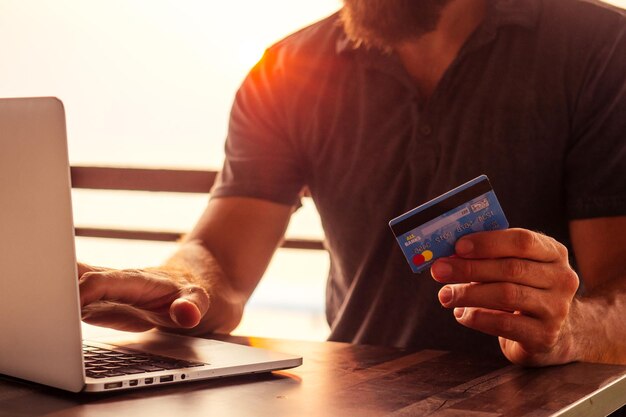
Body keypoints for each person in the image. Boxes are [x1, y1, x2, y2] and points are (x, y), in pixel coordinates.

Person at [79, 0, 626, 367]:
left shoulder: (603, 48)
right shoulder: (284, 72)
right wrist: (180, 286)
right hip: (360, 399)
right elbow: (218, 256)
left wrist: (571, 328)